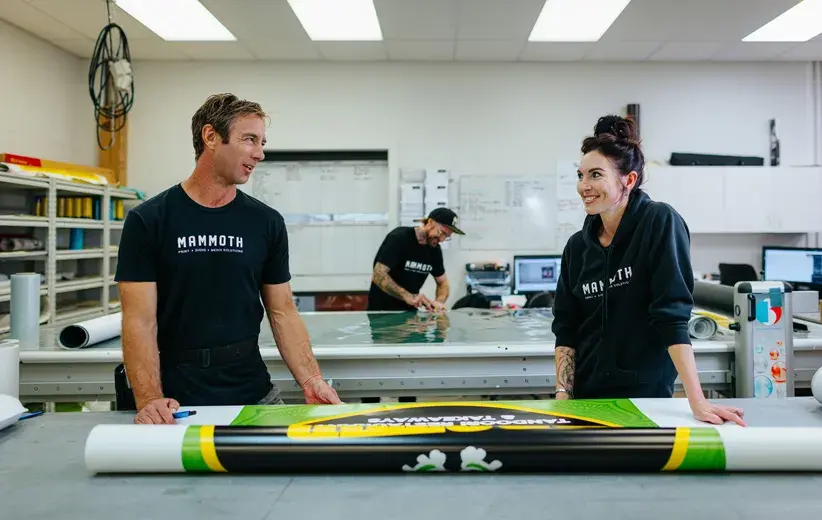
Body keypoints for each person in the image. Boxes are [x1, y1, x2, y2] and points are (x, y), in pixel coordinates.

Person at [116, 93, 341, 425]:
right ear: (210, 137)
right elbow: (138, 320)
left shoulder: (266, 222)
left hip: (253, 392)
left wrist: (311, 379)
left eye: (262, 142)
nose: (259, 153)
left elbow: (283, 312)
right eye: (249, 139)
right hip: (177, 400)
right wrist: (150, 399)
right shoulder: (149, 220)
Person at [550, 114, 746, 427]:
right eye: (581, 175)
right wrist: (564, 395)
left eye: (595, 175)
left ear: (628, 180)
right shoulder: (577, 246)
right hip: (586, 396)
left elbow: (671, 315)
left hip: (645, 397)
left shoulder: (660, 222)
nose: (583, 186)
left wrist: (698, 401)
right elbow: (566, 326)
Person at [367, 207, 463, 313]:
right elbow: (378, 274)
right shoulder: (399, 238)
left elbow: (443, 283)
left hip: (409, 313)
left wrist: (439, 303)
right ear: (430, 222)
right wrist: (407, 296)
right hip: (382, 312)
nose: (442, 240)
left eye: (447, 236)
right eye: (442, 233)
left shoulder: (434, 250)